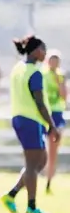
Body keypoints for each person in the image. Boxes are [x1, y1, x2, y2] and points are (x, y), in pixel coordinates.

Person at [1, 36, 60, 213]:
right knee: (33, 164)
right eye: (43, 49)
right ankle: (31, 206)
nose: (45, 53)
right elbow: (40, 103)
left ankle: (12, 194)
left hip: (21, 118)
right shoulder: (35, 72)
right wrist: (52, 125)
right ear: (35, 51)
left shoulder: (18, 68)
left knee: (40, 161)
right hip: (30, 120)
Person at [42, 50, 67, 194]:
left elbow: (64, 97)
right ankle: (40, 174)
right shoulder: (42, 75)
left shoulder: (61, 76)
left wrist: (60, 82)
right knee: (41, 150)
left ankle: (49, 181)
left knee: (53, 150)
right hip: (44, 114)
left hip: (57, 114)